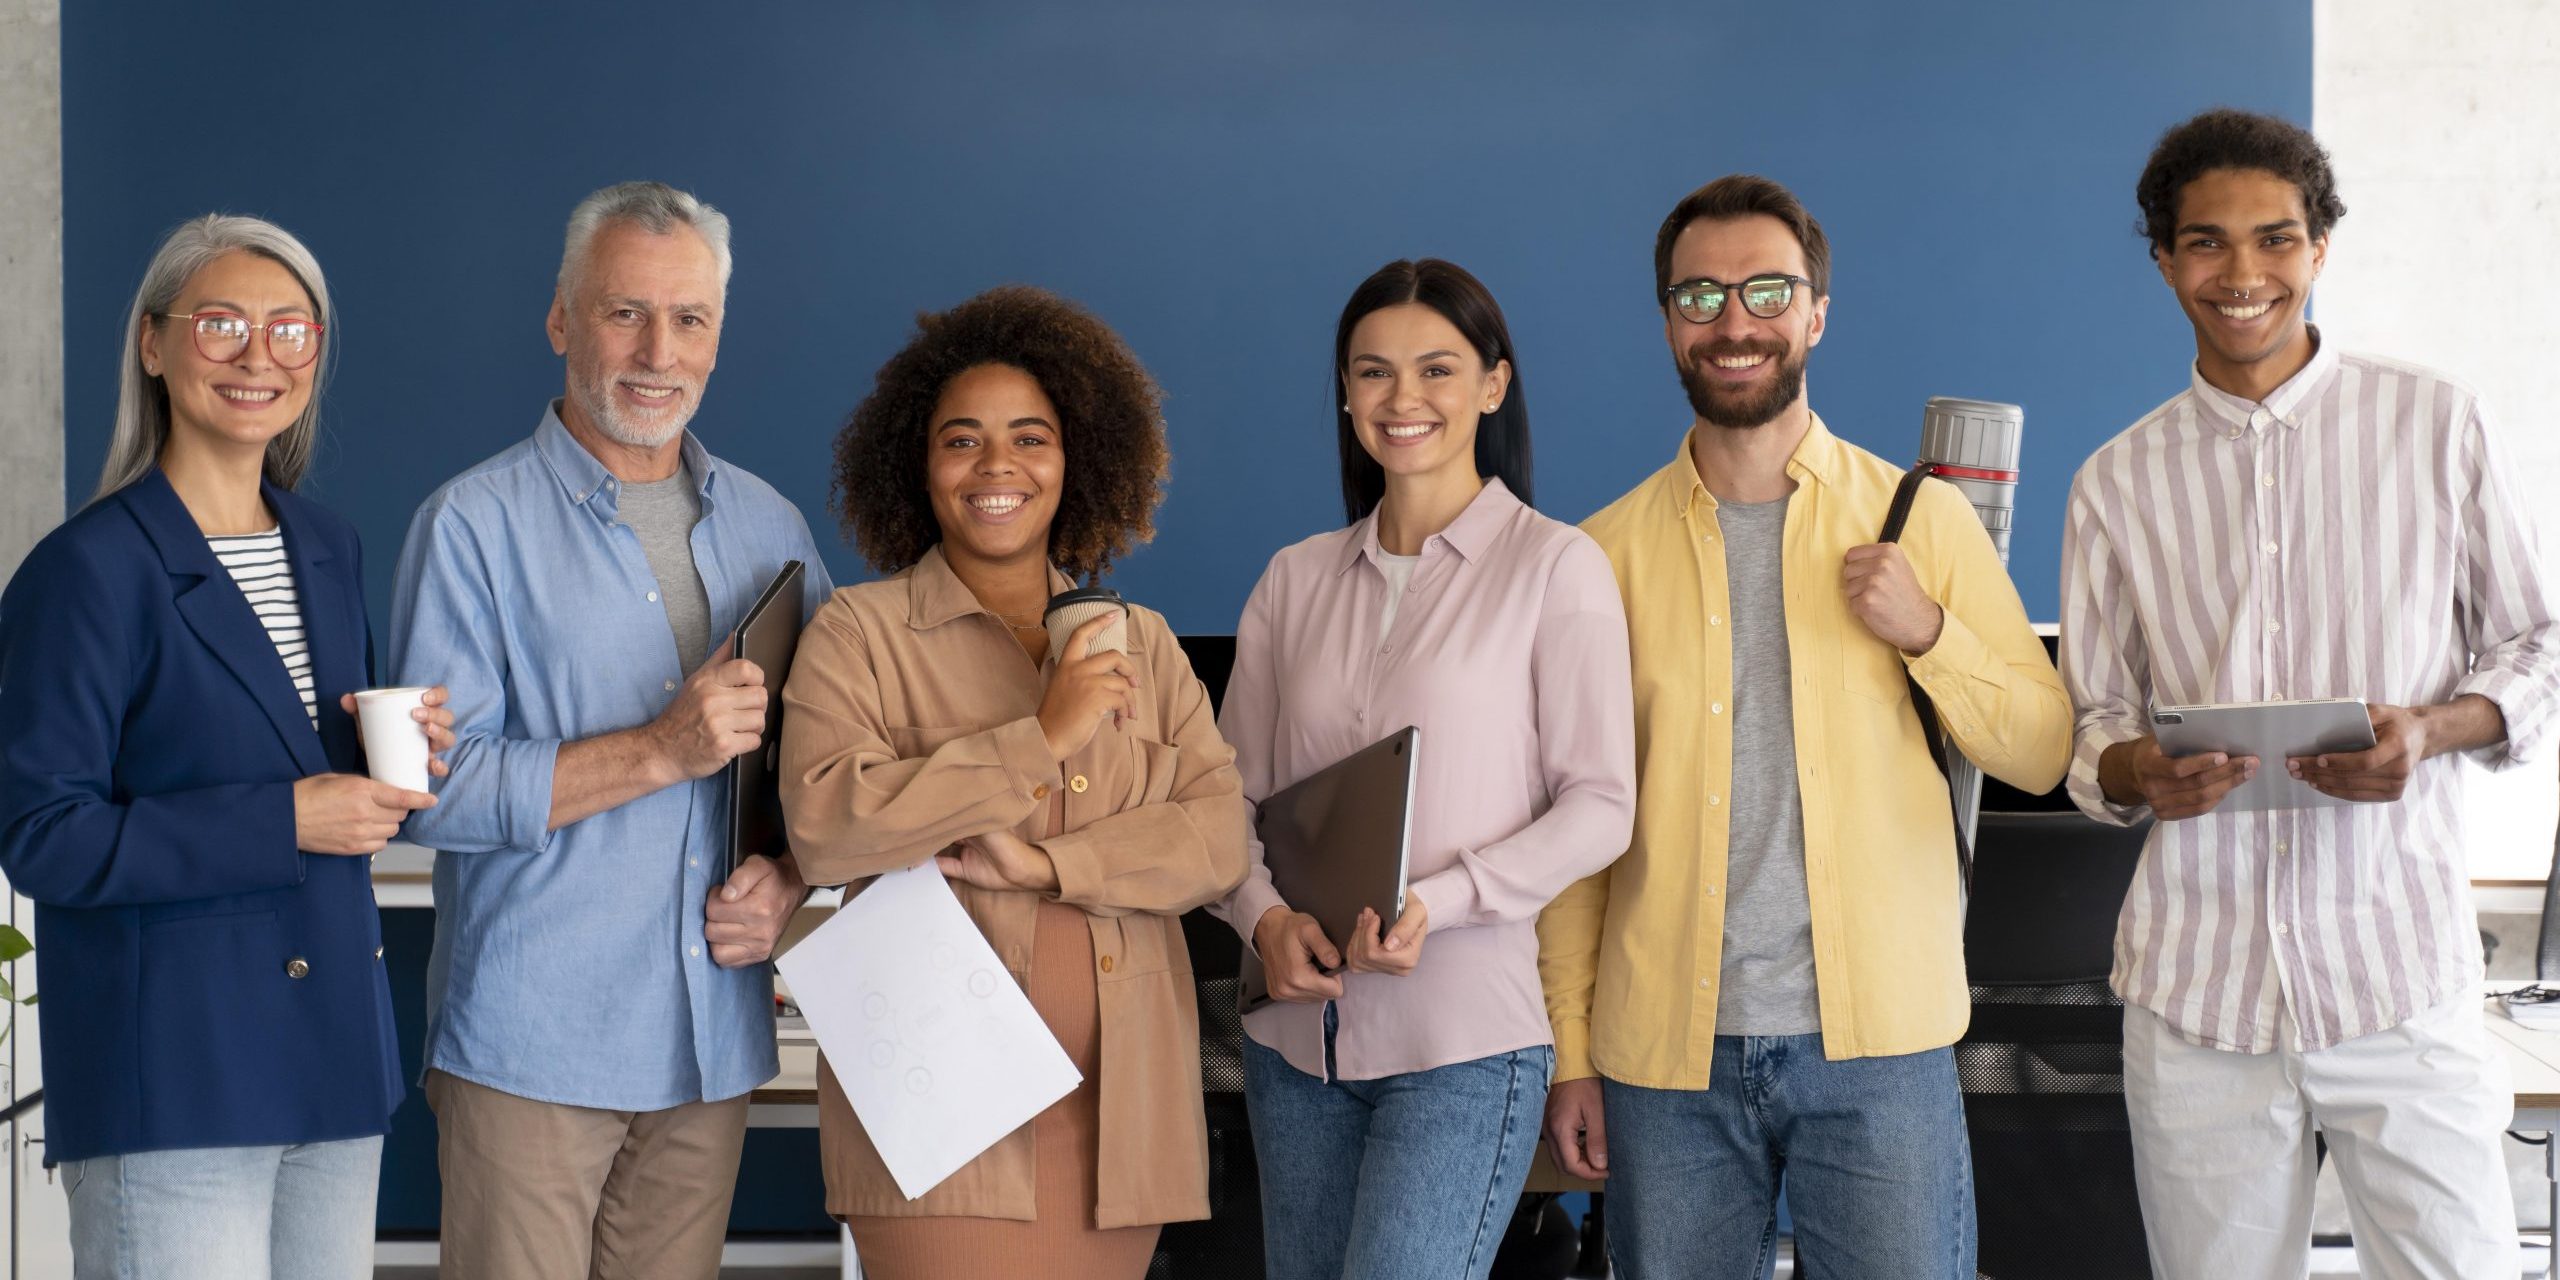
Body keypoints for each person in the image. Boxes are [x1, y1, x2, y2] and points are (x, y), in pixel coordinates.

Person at [1538, 175, 2072, 1279]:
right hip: (1661, 1061)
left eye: (1766, 290)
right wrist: (1571, 1052)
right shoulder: (1598, 556)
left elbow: (2039, 746)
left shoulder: (1920, 517)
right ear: (1667, 321)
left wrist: (1927, 630)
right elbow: (1571, 835)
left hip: (1878, 1045)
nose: (1734, 321)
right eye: (1700, 295)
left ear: (1816, 312)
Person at [2060, 108, 2560, 1278]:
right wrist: (2143, 769)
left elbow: (2537, 644)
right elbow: (2093, 729)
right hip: (2198, 998)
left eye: (2274, 238)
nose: (2241, 274)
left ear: (2320, 247)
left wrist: (2431, 729)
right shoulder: (2114, 482)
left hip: (2399, 974)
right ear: (2163, 258)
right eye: (2204, 243)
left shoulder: (2435, 422)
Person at [387, 181, 830, 1279]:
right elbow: (433, 796)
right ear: (560, 320)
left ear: (719, 337)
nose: (657, 349)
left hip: (709, 1041)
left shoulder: (771, 526)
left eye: (689, 319)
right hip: (533, 1047)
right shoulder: (470, 527)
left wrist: (788, 873)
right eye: (624, 311)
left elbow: (822, 761)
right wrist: (656, 749)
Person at [0, 214, 455, 1279]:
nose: (261, 355)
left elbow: (300, 751)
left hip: (334, 1060)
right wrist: (286, 815)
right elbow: (44, 834)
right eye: (222, 325)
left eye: (292, 330)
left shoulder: (326, 546)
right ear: (153, 344)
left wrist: (398, 748)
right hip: (178, 1076)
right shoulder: (86, 571)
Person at [779, 285, 1247, 1280]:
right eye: (962, 439)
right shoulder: (857, 634)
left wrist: (1045, 861)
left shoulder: (1147, 644)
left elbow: (1216, 839)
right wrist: (1040, 736)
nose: (998, 465)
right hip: (939, 1124)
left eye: (1030, 436)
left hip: (1121, 1126)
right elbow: (826, 825)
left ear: (1076, 460)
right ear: (919, 463)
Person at [1206, 258, 1635, 1280]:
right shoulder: (1293, 578)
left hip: (1464, 1046)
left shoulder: (1556, 567)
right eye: (1372, 372)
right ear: (1346, 394)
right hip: (1295, 1043)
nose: (1403, 399)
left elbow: (1601, 805)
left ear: (1493, 383)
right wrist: (1262, 916)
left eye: (1436, 368)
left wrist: (1436, 900)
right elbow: (1223, 798)